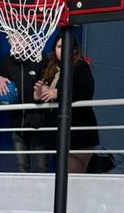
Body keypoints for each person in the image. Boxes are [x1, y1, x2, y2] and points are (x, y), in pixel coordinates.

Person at [34, 34, 100, 173]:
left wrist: (57, 93)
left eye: (66, 46)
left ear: (74, 49)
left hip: (78, 133)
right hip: (57, 133)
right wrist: (39, 95)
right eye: (59, 46)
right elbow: (45, 95)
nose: (62, 50)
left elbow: (85, 94)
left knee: (72, 177)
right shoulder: (52, 69)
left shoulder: (80, 66)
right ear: (54, 49)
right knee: (59, 176)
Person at [0, 52, 47, 173]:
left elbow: (47, 88)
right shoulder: (6, 62)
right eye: (14, 41)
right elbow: (3, 84)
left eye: (21, 40)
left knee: (41, 166)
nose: (18, 43)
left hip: (39, 123)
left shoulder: (40, 59)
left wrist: (38, 96)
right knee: (21, 167)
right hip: (18, 123)